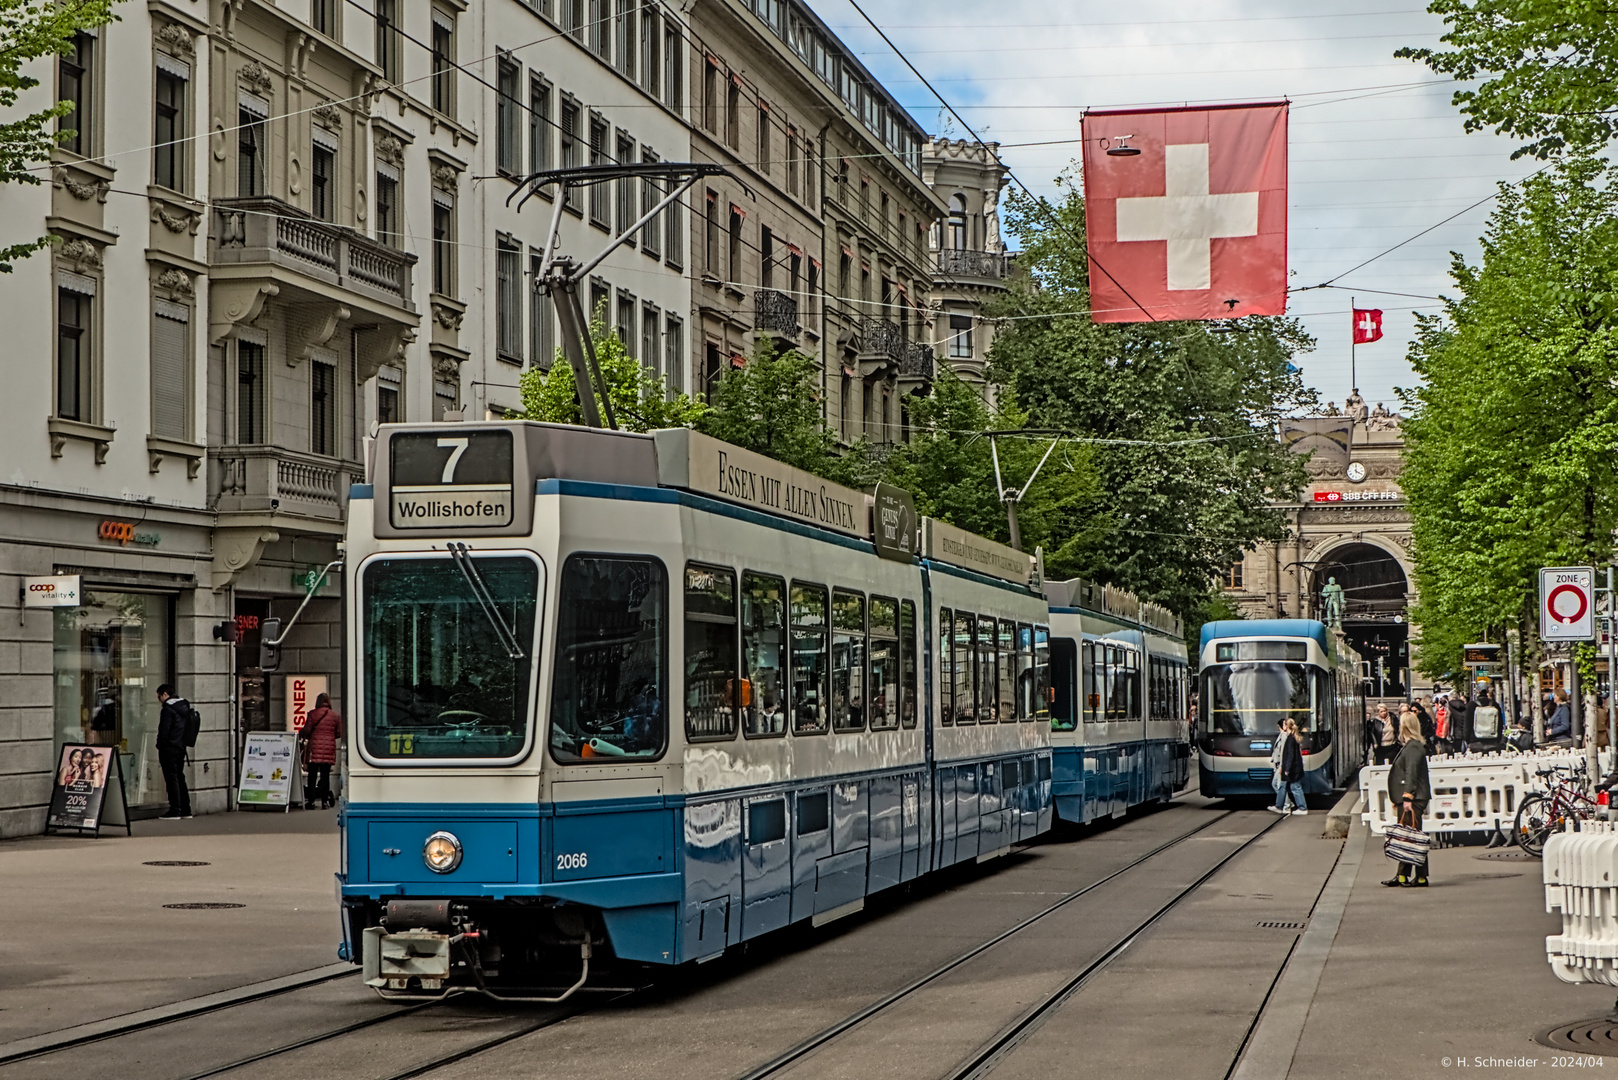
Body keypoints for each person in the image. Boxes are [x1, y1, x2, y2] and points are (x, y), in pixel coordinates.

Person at [1384, 712, 1431, 887]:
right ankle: (1405, 875)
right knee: (1410, 837)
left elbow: (1411, 773)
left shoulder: (1412, 747)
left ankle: (1419, 877)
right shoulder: (1414, 746)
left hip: (1414, 798)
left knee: (1411, 838)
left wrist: (1407, 796)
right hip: (1415, 797)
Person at [298, 692, 344, 810]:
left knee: (312, 776)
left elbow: (307, 730)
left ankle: (312, 801)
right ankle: (324, 802)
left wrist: (302, 734)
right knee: (325, 776)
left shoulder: (312, 714)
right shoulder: (335, 716)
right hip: (328, 748)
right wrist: (329, 736)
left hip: (314, 748)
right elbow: (339, 733)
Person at [155, 684, 192, 820]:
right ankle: (186, 809)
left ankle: (175, 810)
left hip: (169, 748)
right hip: (181, 747)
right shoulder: (184, 706)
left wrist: (160, 745)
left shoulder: (168, 709)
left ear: (165, 694)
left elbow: (164, 730)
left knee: (171, 779)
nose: (159, 700)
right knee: (179, 777)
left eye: (159, 696)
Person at [1269, 718, 1308, 815]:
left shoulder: (1290, 738)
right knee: (1283, 786)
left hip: (1292, 769)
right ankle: (1279, 806)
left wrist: (1286, 769)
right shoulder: (1292, 737)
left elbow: (1290, 755)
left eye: (1284, 724)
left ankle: (1302, 808)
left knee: (1295, 787)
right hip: (1292, 768)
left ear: (1286, 726)